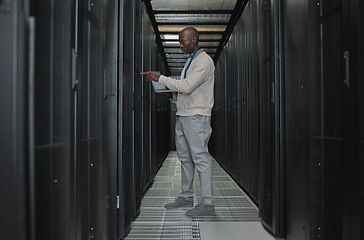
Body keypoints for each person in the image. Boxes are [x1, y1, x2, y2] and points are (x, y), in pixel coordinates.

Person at [141, 27, 215, 216]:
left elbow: (188, 86)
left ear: (195, 39)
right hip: (183, 115)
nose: (181, 45)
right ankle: (186, 196)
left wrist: (161, 78)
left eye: (183, 41)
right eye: (180, 41)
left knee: (200, 158)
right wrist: (165, 89)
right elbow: (183, 90)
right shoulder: (190, 61)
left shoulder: (204, 61)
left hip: (196, 117)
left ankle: (207, 202)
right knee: (185, 158)